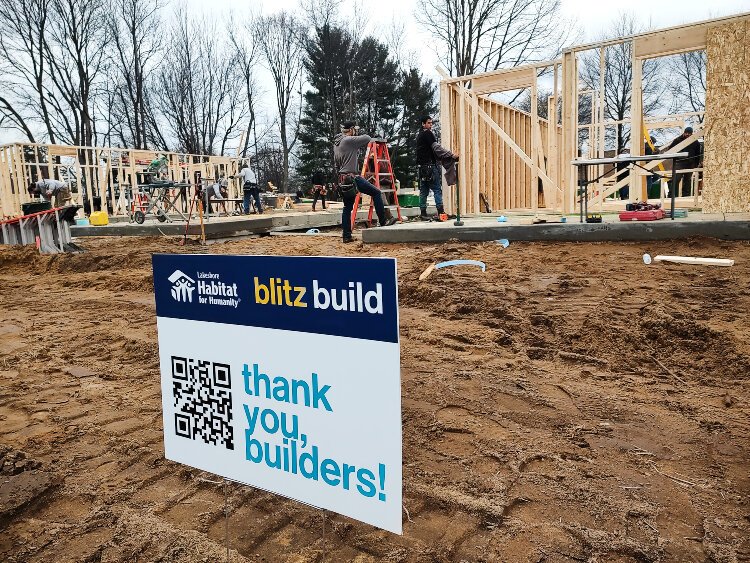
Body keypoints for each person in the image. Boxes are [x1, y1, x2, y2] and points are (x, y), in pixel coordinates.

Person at [333, 121, 396, 243]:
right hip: (353, 177)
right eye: (354, 129)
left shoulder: (337, 143)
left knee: (347, 207)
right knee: (376, 192)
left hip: (343, 178)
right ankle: (383, 222)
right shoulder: (348, 140)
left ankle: (346, 236)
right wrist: (355, 134)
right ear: (351, 129)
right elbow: (367, 138)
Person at [415, 115, 458, 221]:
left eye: (431, 123)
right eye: (428, 123)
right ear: (423, 124)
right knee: (437, 190)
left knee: (423, 191)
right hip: (430, 167)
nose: (431, 125)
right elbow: (437, 148)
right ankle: (441, 213)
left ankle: (423, 214)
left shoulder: (420, 135)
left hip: (422, 168)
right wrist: (451, 155)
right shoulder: (427, 133)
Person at [666, 127, 702, 197]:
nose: (687, 135)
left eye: (689, 134)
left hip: (690, 163)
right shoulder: (677, 140)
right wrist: (675, 159)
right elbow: (671, 150)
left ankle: (686, 196)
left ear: (692, 134)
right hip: (679, 163)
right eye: (686, 133)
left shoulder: (695, 142)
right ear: (684, 132)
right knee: (676, 180)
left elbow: (698, 154)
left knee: (687, 181)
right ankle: (671, 196)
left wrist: (695, 164)